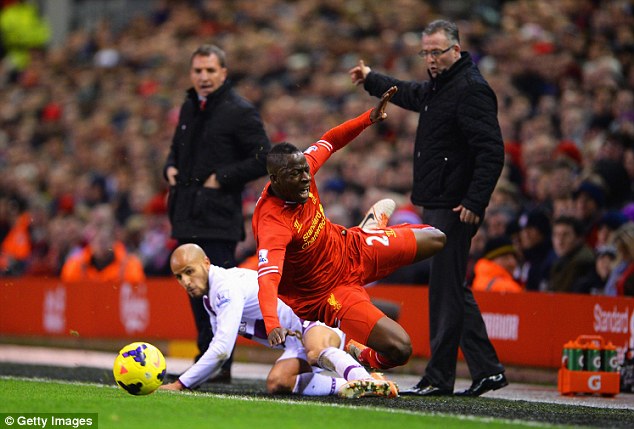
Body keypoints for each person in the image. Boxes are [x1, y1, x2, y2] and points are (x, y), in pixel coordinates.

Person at [349, 19, 507, 396]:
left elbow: (492, 151)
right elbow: (409, 93)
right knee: (452, 287)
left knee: (444, 290)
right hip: (440, 201)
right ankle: (488, 370)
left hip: (454, 206)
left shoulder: (470, 89)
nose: (431, 59)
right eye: (426, 52)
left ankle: (439, 377)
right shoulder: (443, 87)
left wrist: (474, 201)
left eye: (437, 52)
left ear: (456, 49)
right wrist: (372, 79)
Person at [253, 86, 447, 374]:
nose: (307, 178)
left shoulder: (301, 167)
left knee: (436, 238)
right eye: (297, 175)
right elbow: (268, 281)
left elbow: (330, 140)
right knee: (400, 348)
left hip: (351, 248)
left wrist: (368, 117)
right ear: (275, 179)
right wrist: (272, 324)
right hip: (330, 293)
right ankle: (364, 355)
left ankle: (368, 229)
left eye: (306, 170)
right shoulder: (273, 224)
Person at [160, 243, 398, 398]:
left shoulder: (225, 288)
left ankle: (364, 379)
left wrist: (182, 384)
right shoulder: (209, 299)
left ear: (206, 263)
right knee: (278, 382)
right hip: (297, 338)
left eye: (189, 271)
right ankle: (353, 384)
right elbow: (219, 349)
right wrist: (190, 381)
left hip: (313, 314)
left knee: (316, 351)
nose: (185, 281)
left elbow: (222, 350)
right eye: (179, 276)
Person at [163, 44, 271, 381]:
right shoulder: (190, 106)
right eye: (198, 71)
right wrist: (170, 167)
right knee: (196, 294)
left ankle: (215, 364)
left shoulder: (239, 110)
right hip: (187, 212)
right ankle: (208, 361)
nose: (204, 77)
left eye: (210, 70)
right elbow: (176, 150)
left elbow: (264, 156)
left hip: (218, 218)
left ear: (223, 73)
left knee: (220, 294)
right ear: (191, 74)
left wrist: (221, 178)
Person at [60, 205, 145, 284]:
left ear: (116, 232)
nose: (101, 234)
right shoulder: (74, 266)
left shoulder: (130, 266)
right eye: (97, 226)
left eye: (106, 225)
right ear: (89, 232)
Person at [547, 216, 596, 293]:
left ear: (579, 238)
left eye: (565, 235)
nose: (560, 241)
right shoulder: (558, 263)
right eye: (556, 235)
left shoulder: (585, 265)